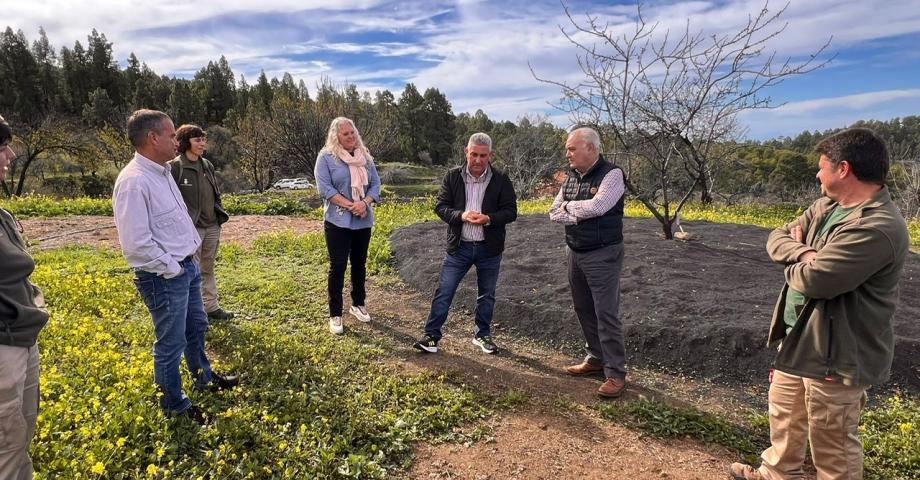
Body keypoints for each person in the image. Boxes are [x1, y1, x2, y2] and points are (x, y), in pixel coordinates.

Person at [729, 128, 909, 480]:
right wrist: (806, 252)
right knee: (785, 413)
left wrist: (803, 263)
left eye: (822, 167)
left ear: (843, 169)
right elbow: (776, 237)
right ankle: (778, 474)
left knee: (833, 442)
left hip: (838, 350)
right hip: (801, 338)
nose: (816, 174)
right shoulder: (828, 206)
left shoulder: (878, 226)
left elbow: (816, 281)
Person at [113, 109, 238, 425]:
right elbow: (136, 244)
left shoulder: (162, 171)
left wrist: (187, 262)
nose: (176, 140)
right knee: (170, 342)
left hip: (187, 267)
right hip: (165, 276)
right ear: (153, 138)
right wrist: (173, 268)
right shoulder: (133, 182)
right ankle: (174, 406)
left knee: (196, 326)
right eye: (171, 135)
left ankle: (203, 378)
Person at [413, 132, 517, 354]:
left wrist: (488, 219)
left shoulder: (501, 180)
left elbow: (511, 211)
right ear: (466, 152)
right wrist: (461, 215)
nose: (478, 160)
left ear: (491, 155)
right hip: (459, 247)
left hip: (489, 249)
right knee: (445, 291)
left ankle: (482, 335)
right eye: (474, 155)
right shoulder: (452, 177)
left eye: (483, 155)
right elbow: (441, 207)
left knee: (486, 294)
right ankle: (432, 336)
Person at [549, 127, 628, 398]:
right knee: (583, 307)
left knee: (606, 312)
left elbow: (599, 206)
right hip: (575, 251)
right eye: (568, 149)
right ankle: (595, 358)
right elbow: (552, 212)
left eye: (572, 148)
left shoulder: (612, 174)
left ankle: (616, 373)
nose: (567, 153)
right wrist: (577, 212)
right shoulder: (570, 177)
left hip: (603, 253)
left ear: (591, 148)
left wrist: (570, 208)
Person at [0, 114, 48, 479]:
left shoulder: (2, 214)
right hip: (4, 350)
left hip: (21, 340)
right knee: (7, 445)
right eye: (1, 148)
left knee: (19, 438)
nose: (11, 155)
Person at [314, 117, 381, 335]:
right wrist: (351, 205)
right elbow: (325, 188)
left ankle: (357, 304)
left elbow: (375, 184)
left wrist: (364, 203)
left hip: (362, 219)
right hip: (337, 221)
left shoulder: (364, 157)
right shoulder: (326, 158)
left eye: (352, 133)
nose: (351, 137)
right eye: (345, 134)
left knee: (359, 264)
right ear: (336, 137)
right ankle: (335, 313)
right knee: (338, 266)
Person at [168, 124, 234, 321]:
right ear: (185, 141)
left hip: (212, 225)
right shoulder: (175, 167)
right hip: (191, 229)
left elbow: (214, 193)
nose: (202, 143)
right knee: (191, 270)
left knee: (207, 267)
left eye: (203, 139)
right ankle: (194, 312)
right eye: (197, 140)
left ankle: (211, 307)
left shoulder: (207, 165)